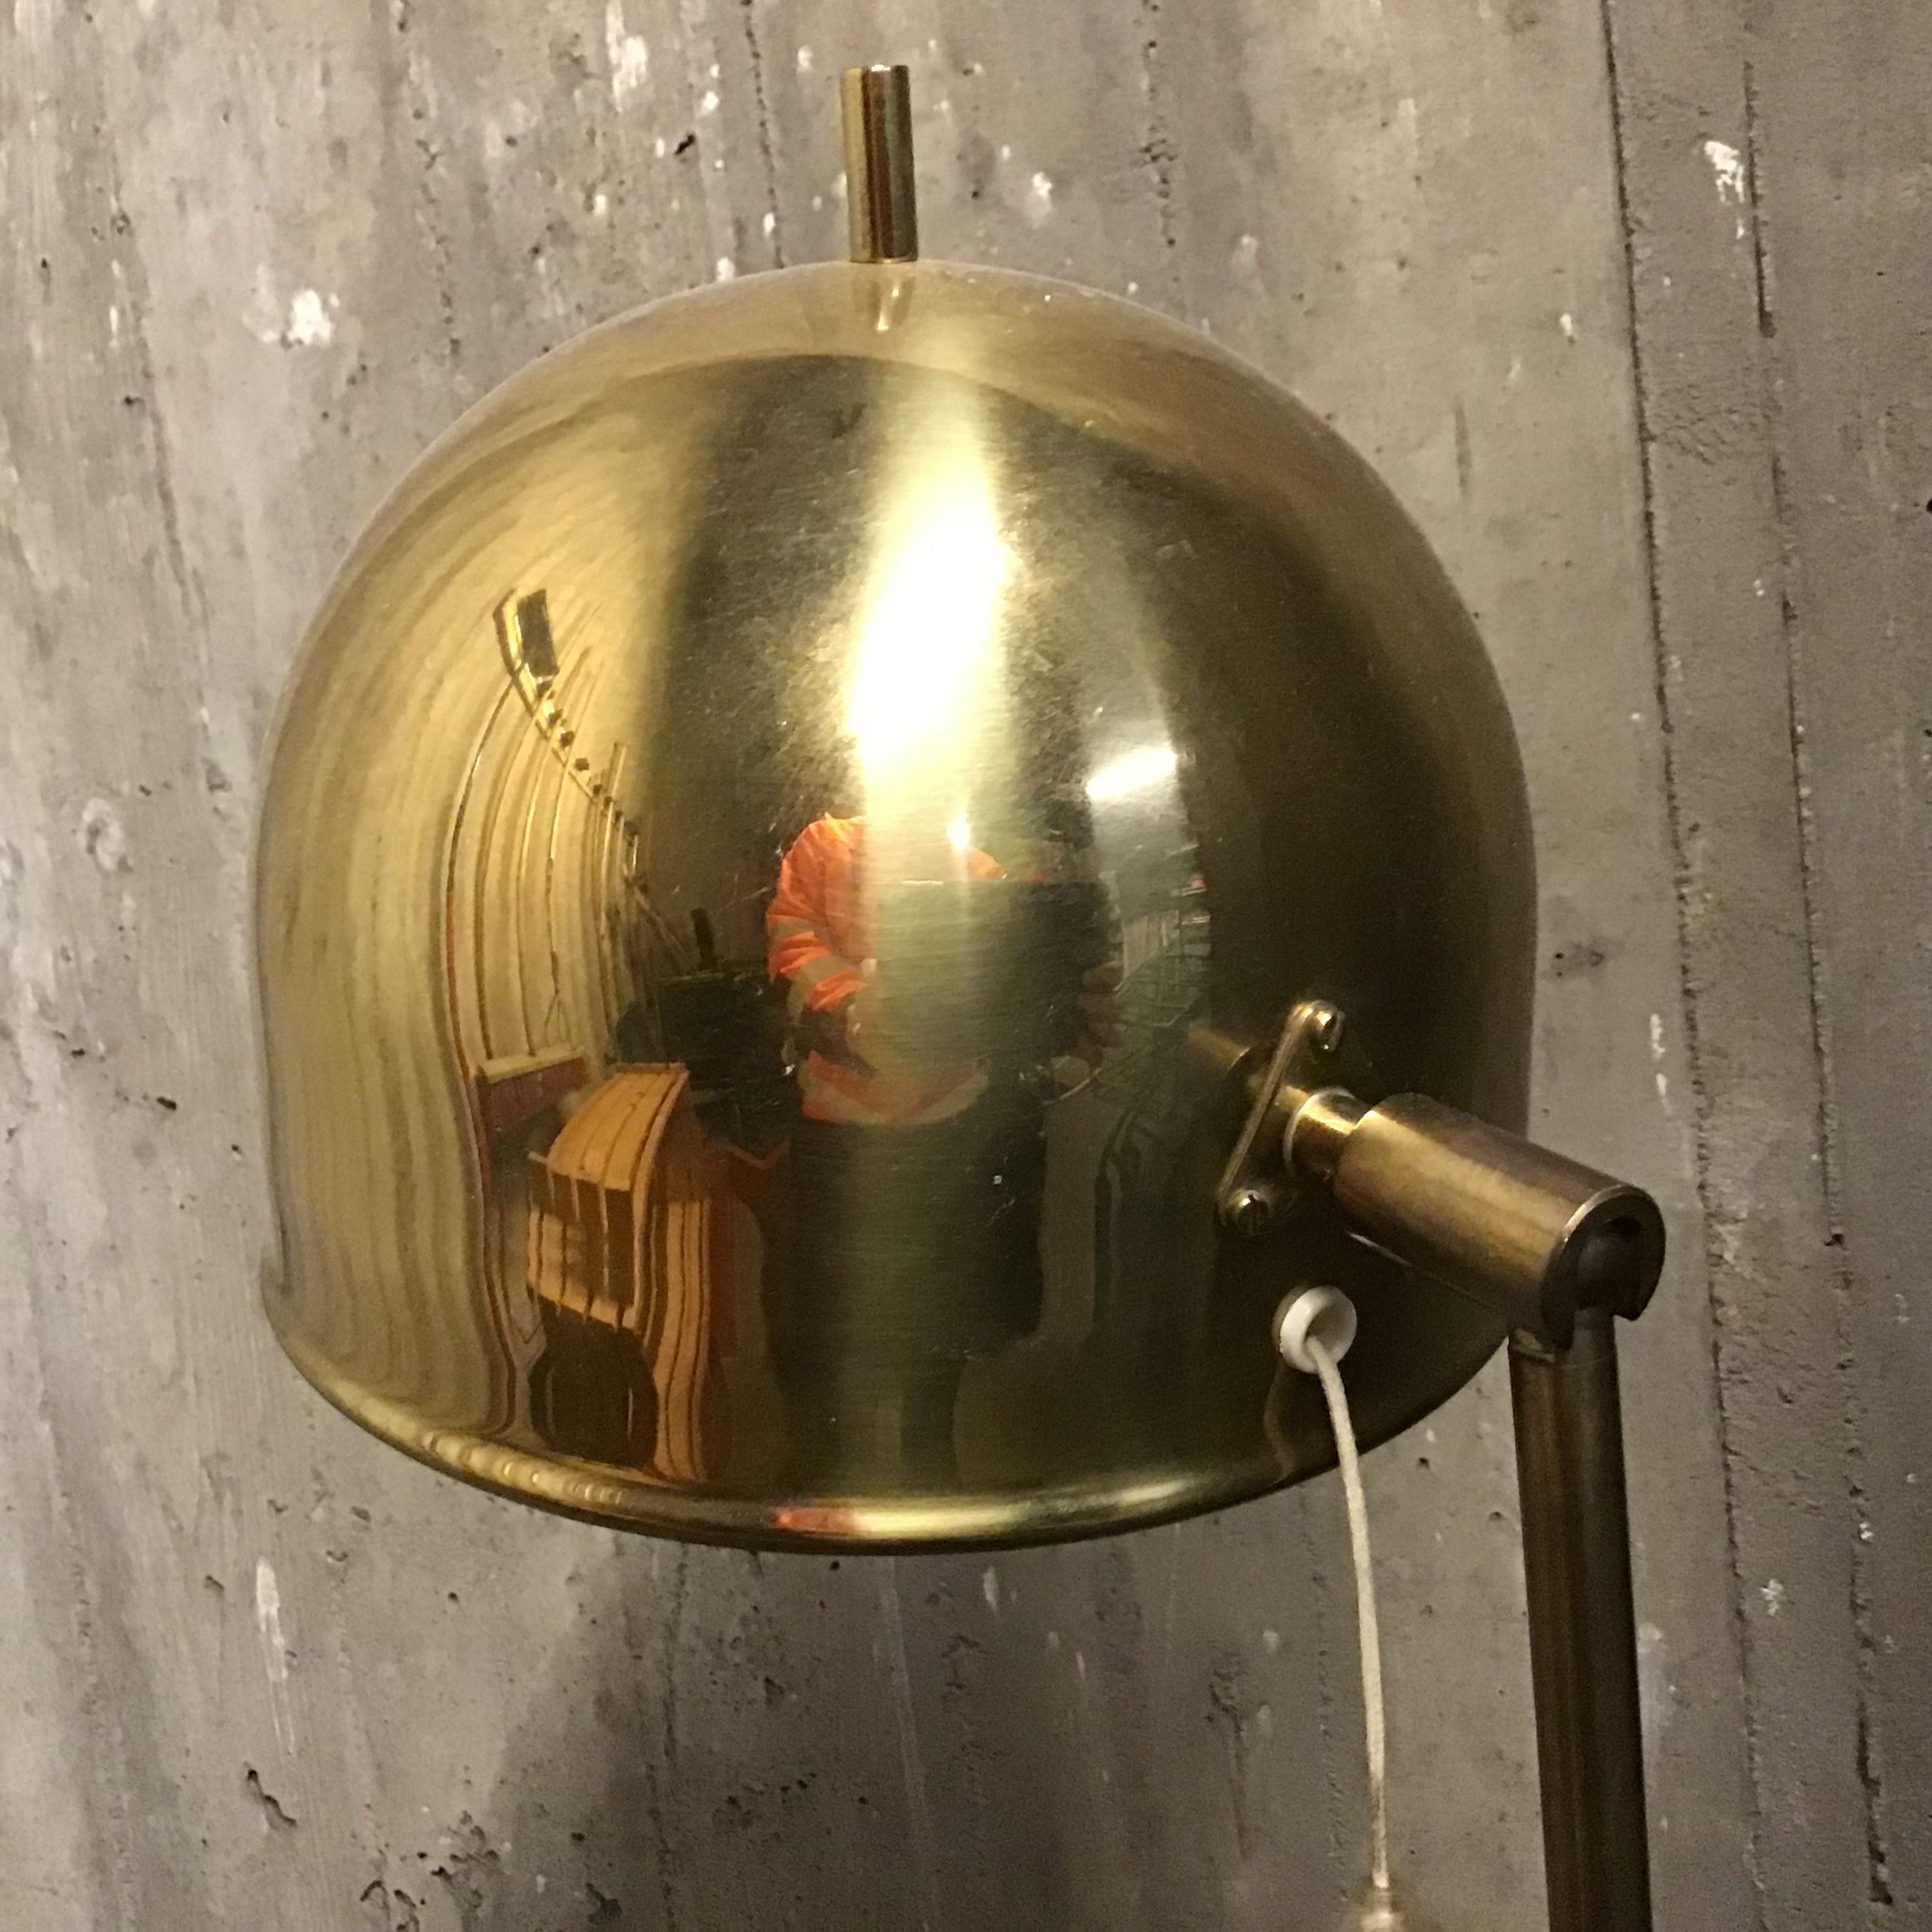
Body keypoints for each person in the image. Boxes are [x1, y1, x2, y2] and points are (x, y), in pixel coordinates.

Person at [762, 805, 1117, 1488]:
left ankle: (928, 1450)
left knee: (937, 1302)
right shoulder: (825, 846)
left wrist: (1068, 1014)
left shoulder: (976, 871)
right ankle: (829, 1455)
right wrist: (851, 1009)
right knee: (835, 1300)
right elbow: (792, 941)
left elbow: (1008, 979)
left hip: (949, 1124)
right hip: (842, 1129)